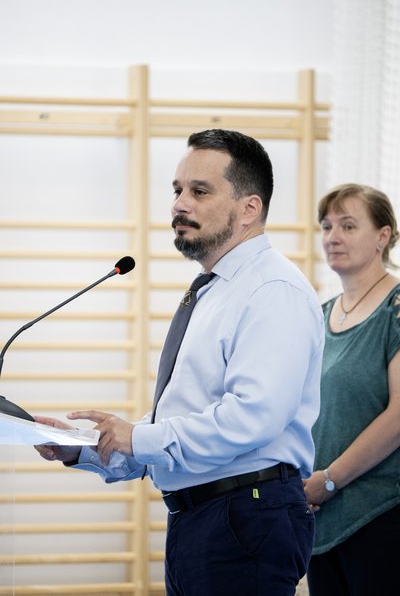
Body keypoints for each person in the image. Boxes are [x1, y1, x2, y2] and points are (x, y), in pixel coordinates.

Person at [35, 128, 324, 596]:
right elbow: (186, 420)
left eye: (200, 191)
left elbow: (252, 417)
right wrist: (85, 449)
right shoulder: (213, 290)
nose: (179, 204)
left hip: (244, 516)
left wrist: (138, 436)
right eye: (177, 190)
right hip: (202, 518)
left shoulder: (272, 290)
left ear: (249, 209)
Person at [304, 183, 400, 596]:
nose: (332, 237)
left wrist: (330, 480)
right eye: (326, 226)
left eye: (347, 225)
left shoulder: (396, 308)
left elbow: (398, 417)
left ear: (383, 235)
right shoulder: (321, 314)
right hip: (320, 517)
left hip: (380, 516)